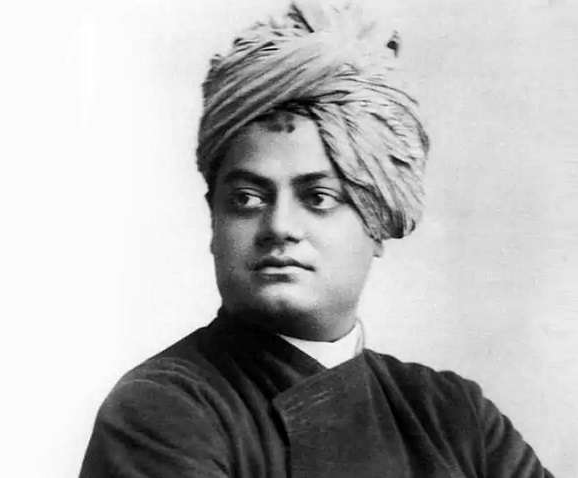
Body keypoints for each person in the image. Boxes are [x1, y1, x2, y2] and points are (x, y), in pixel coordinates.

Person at [79, 1, 553, 476]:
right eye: (246, 199)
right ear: (213, 220)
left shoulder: (455, 417)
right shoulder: (164, 410)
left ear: (377, 220)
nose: (280, 226)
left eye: (318, 198)